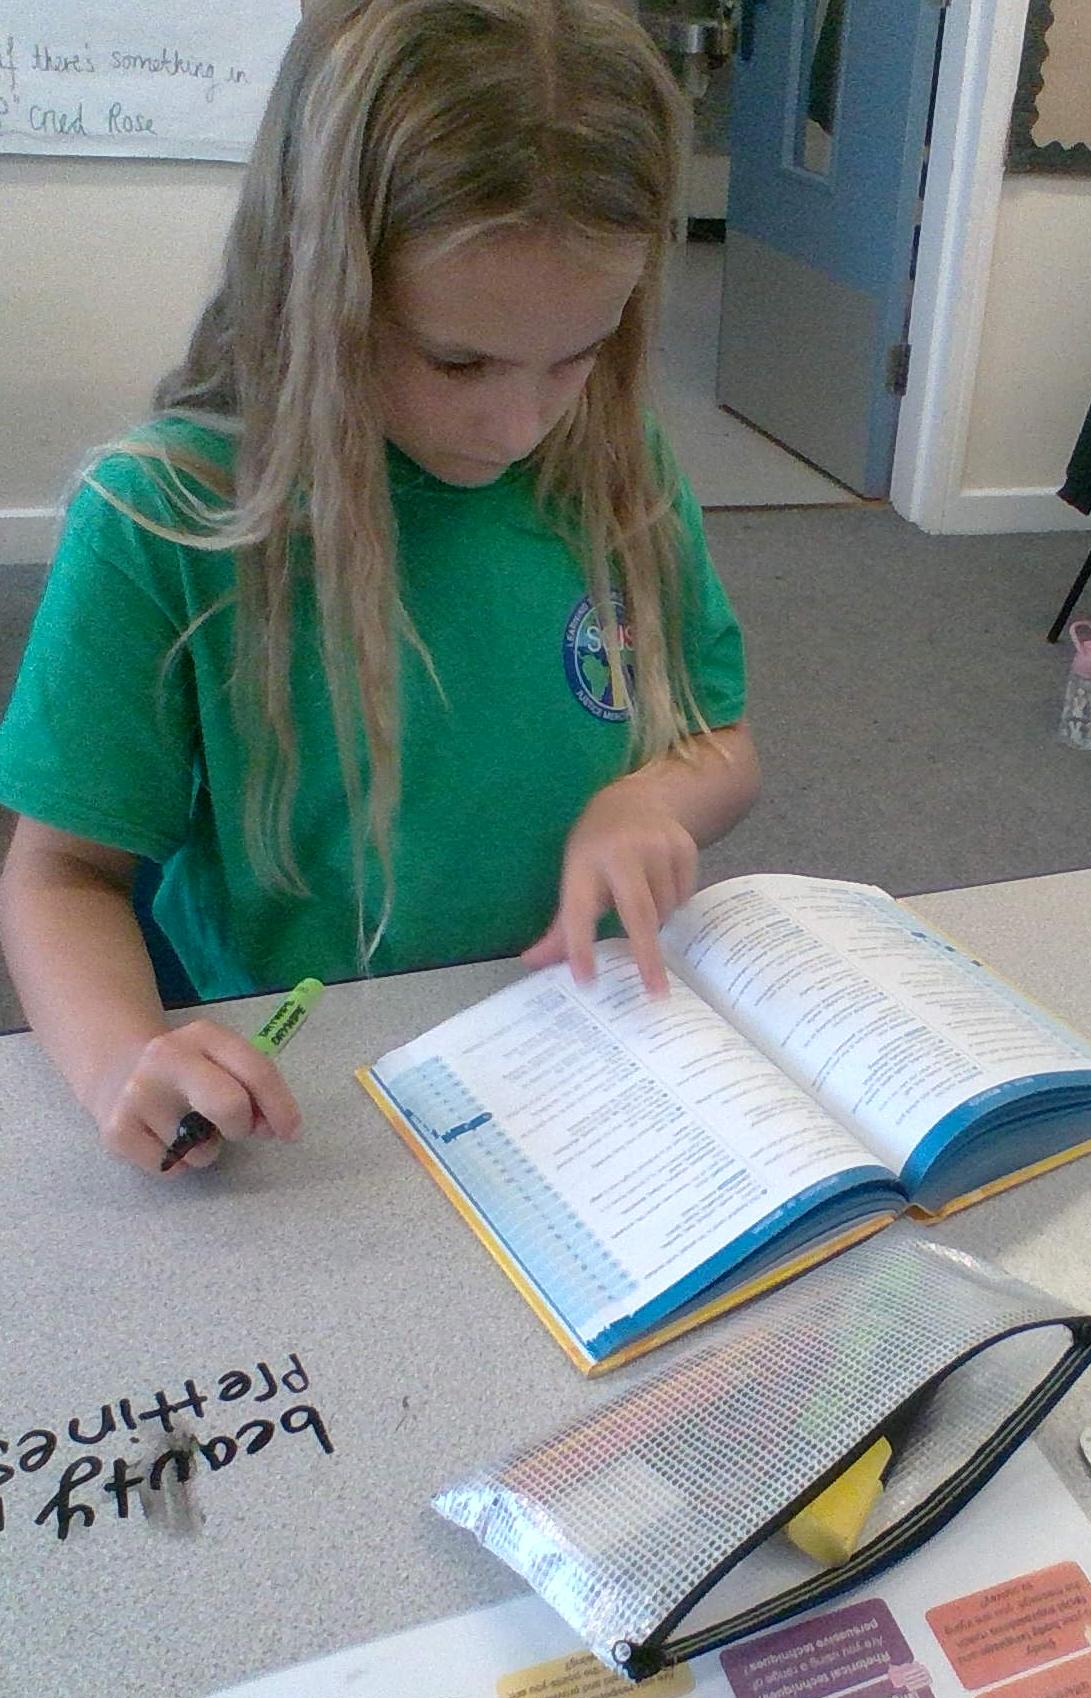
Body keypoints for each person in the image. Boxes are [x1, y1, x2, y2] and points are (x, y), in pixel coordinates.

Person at [0, 0, 760, 1176]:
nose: (519, 424)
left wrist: (652, 800)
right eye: (458, 361)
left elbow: (720, 738)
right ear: (316, 289)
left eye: (579, 354)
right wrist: (118, 1061)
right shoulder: (165, 517)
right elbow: (60, 874)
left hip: (583, 1047)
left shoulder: (613, 460)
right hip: (320, 1090)